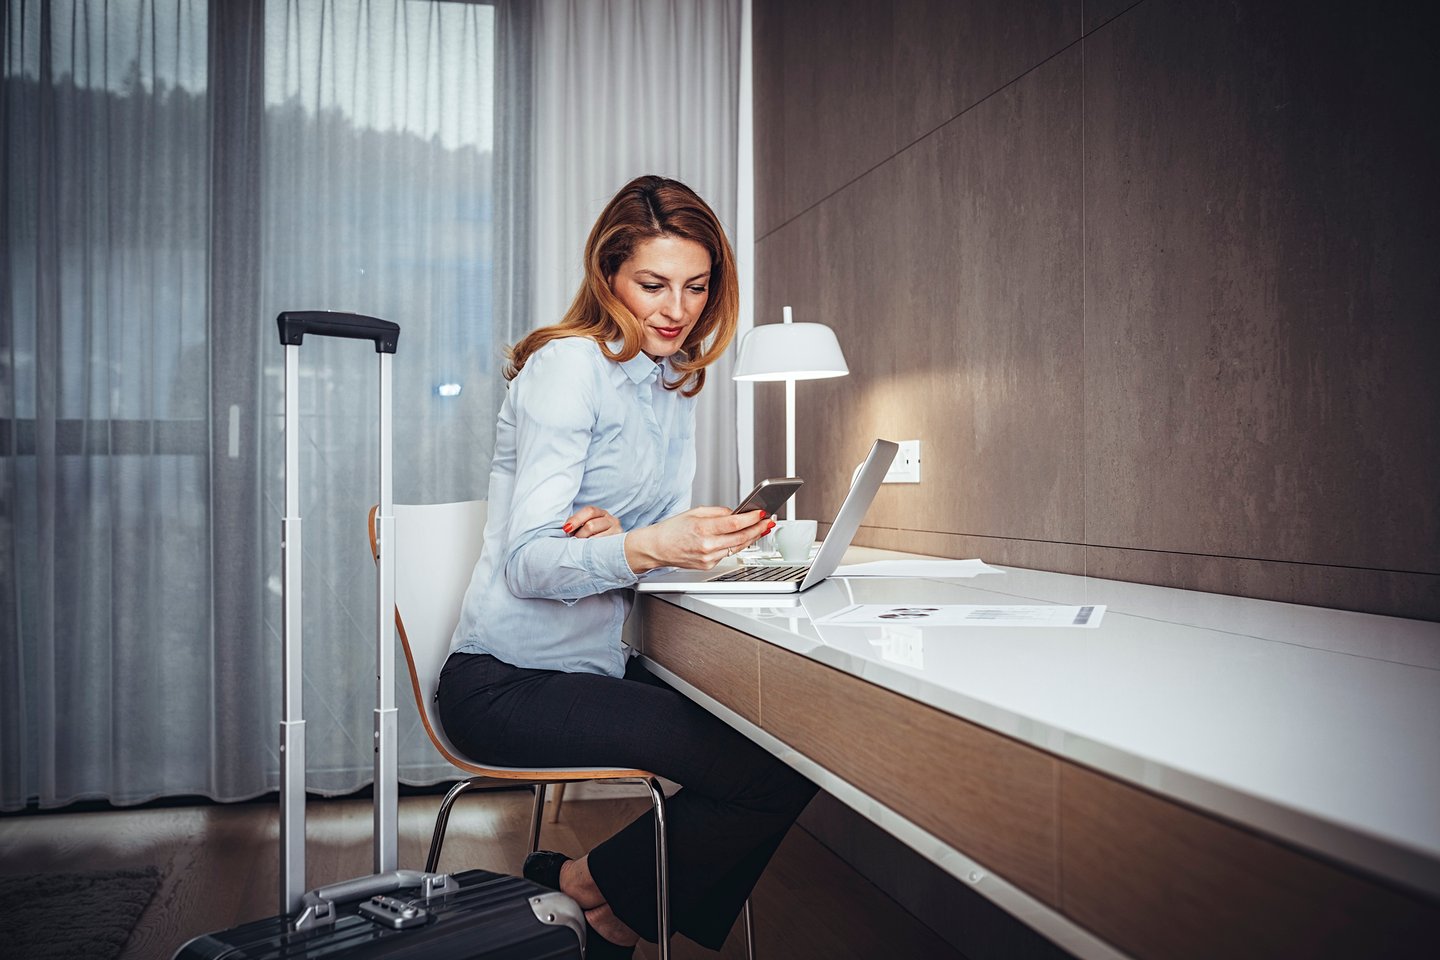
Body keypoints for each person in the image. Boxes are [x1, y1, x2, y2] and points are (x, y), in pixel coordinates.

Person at [437, 175, 818, 957]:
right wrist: (644, 545)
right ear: (608, 276)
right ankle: (594, 893)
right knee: (771, 771)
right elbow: (529, 565)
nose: (676, 308)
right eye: (652, 284)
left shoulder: (670, 386)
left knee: (799, 746)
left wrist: (647, 540)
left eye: (696, 286)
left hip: (594, 669)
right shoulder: (569, 366)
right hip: (505, 681)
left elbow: (622, 552)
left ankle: (589, 889)